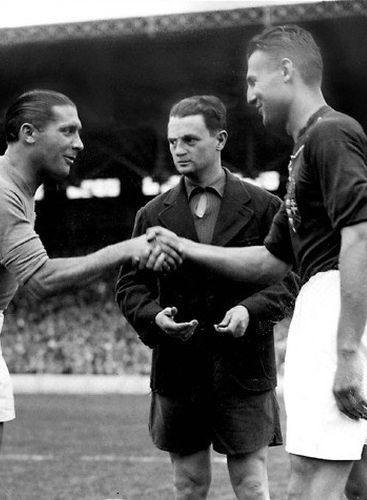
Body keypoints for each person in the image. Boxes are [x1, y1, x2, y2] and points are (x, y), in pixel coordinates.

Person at [146, 26, 367, 500]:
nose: (250, 95)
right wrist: (185, 247)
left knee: (309, 484)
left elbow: (363, 238)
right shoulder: (307, 149)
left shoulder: (330, 133)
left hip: (341, 306)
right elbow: (270, 261)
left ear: (286, 71)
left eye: (254, 80)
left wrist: (346, 351)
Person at [0, 89, 177, 500]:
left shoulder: (19, 189)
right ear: (29, 133)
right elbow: (39, 280)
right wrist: (126, 249)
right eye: (68, 130)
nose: (80, 143)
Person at [115, 95, 298, 500]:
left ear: (220, 139)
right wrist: (154, 317)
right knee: (188, 484)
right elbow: (129, 287)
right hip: (179, 369)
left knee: (251, 483)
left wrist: (249, 311)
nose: (178, 150)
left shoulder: (265, 206)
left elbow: (287, 280)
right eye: (172, 142)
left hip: (243, 367)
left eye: (190, 140)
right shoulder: (151, 215)